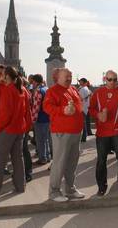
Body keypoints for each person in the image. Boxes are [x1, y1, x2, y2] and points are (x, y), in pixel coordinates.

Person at [0, 67, 32, 197]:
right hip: (19, 129)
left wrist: (0, 127)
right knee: (18, 159)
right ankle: (20, 186)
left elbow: (5, 112)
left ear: (7, 76)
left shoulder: (8, 90)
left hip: (7, 129)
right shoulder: (22, 89)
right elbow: (27, 110)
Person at [43, 68, 86, 202]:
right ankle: (54, 192)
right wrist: (63, 110)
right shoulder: (52, 91)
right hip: (62, 132)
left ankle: (70, 189)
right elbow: (47, 107)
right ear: (57, 78)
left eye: (70, 76)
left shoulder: (72, 89)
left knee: (72, 163)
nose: (69, 78)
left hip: (76, 131)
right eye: (66, 76)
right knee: (59, 163)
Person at [89, 70, 118, 196]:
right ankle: (102, 187)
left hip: (117, 133)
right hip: (102, 134)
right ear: (105, 79)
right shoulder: (97, 93)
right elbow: (91, 109)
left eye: (114, 79)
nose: (112, 82)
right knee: (101, 162)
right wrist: (98, 115)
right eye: (109, 79)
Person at [31, 74, 52, 165]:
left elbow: (36, 107)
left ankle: (42, 158)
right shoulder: (47, 89)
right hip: (47, 118)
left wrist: (33, 120)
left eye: (33, 82)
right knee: (46, 139)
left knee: (40, 140)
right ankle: (47, 156)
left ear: (35, 81)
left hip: (40, 118)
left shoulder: (38, 91)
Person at [78, 78, 92, 142]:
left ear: (83, 82)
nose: (79, 82)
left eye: (80, 81)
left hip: (82, 108)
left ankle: (83, 137)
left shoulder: (82, 89)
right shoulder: (87, 89)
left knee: (82, 124)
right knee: (84, 123)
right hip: (86, 107)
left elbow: (79, 99)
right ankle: (84, 136)